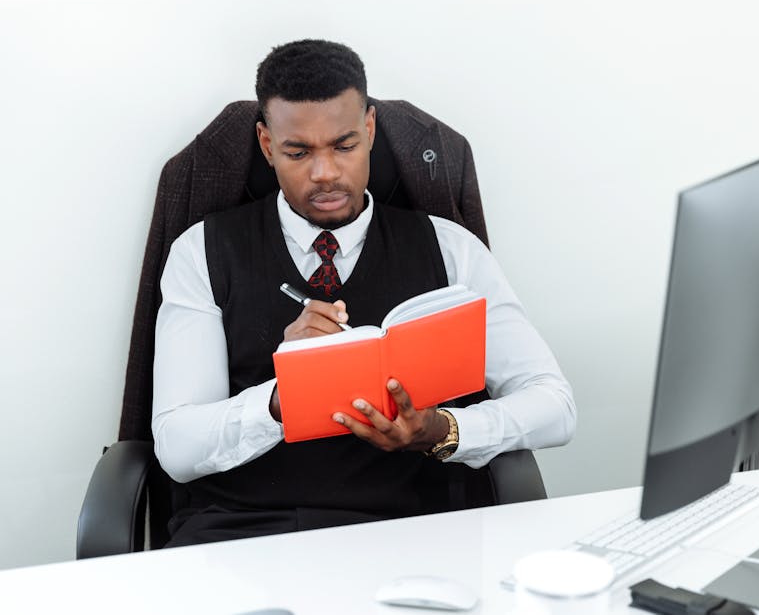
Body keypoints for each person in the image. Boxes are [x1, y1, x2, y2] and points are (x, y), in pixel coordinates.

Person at [152, 39, 576, 546]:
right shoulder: (201, 251)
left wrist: (442, 430)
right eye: (298, 151)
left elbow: (554, 405)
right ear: (267, 146)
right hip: (243, 534)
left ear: (370, 129)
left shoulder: (451, 248)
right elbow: (177, 448)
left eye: (344, 145)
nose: (325, 173)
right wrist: (282, 399)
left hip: (415, 533)